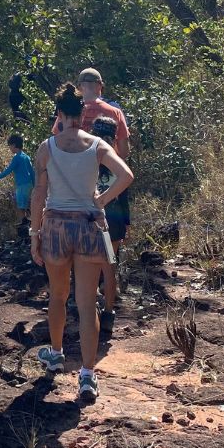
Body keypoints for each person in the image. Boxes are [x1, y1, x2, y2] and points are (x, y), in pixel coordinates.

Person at [30, 82, 133, 402]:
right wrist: (100, 200)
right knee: (88, 304)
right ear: (82, 112)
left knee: (58, 297)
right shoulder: (98, 145)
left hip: (57, 226)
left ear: (60, 114)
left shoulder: (46, 147)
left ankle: (57, 353)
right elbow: (126, 175)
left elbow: (38, 194)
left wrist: (35, 234)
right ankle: (87, 376)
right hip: (89, 226)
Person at [89, 116, 131, 333]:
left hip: (90, 221)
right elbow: (124, 197)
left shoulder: (87, 159)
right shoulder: (117, 161)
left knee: (89, 265)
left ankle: (89, 307)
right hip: (113, 223)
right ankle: (108, 312)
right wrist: (127, 223)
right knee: (109, 267)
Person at [51, 68, 130, 160]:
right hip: (105, 168)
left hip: (74, 166)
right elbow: (124, 151)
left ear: (79, 87)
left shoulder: (68, 111)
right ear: (100, 86)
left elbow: (56, 143)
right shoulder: (115, 112)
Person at [0, 134, 35, 226]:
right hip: (29, 185)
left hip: (22, 185)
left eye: (10, 146)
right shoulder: (26, 156)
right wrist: (35, 185)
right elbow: (32, 172)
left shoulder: (17, 157)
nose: (9, 148)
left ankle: (24, 223)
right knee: (25, 205)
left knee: (19, 206)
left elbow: (8, 170)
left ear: (14, 145)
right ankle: (27, 221)